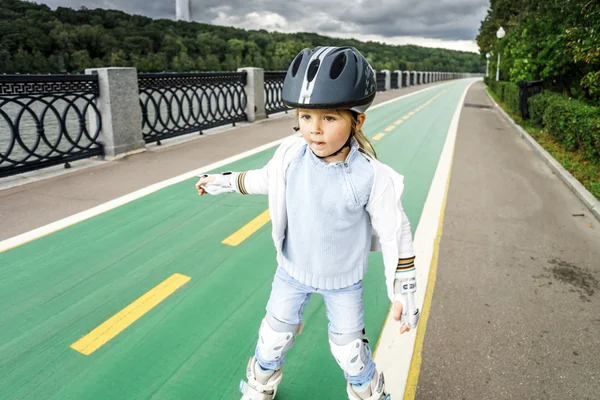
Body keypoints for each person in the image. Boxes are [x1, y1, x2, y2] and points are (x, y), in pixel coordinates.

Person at [195, 46, 419, 400]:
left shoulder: (371, 177)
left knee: (350, 353)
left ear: (357, 121)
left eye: (329, 118)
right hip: (292, 270)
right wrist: (222, 182)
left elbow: (396, 232)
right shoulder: (290, 154)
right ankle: (261, 384)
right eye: (305, 117)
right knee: (272, 337)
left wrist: (404, 292)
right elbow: (264, 180)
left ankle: (370, 392)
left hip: (343, 281)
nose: (314, 130)